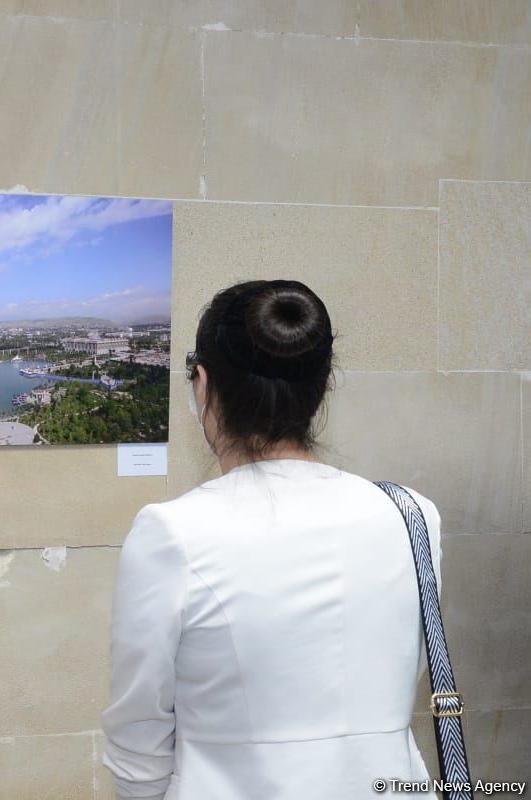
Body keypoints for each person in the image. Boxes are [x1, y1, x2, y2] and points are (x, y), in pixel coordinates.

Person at [102, 280, 441, 800]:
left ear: (202, 383)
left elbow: (139, 740)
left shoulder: (173, 533)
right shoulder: (413, 514)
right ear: (324, 384)